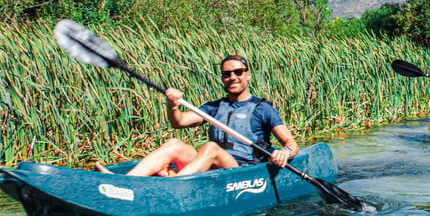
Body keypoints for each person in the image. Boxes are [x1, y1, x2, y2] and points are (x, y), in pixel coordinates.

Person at [95, 54, 298, 176]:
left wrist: (284, 153)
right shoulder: (214, 107)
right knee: (174, 143)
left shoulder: (262, 109)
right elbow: (179, 122)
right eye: (227, 74)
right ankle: (125, 182)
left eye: (238, 72)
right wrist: (172, 104)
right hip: (211, 168)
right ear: (222, 78)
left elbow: (291, 143)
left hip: (241, 170)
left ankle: (174, 183)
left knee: (210, 147)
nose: (232, 77)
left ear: (247, 75)